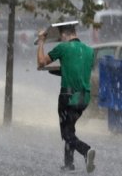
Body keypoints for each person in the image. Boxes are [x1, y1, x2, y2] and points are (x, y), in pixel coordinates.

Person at [37, 23, 96, 173]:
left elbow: (41, 62)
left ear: (63, 35)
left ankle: (86, 150)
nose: (60, 40)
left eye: (60, 37)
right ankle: (68, 164)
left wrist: (41, 41)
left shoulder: (63, 48)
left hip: (68, 97)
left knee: (66, 133)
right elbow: (79, 71)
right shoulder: (90, 51)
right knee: (70, 129)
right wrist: (63, 70)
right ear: (74, 32)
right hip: (84, 98)